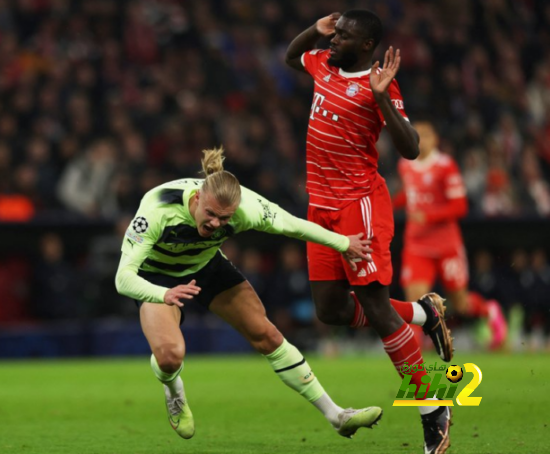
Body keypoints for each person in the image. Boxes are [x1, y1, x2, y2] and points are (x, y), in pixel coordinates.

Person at [115, 147, 381, 440]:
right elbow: (123, 278)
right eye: (211, 214)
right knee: (169, 357)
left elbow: (292, 225)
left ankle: (337, 416)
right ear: (198, 196)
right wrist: (163, 294)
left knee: (266, 335)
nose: (216, 223)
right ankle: (174, 391)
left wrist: (343, 243)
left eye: (225, 219)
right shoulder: (157, 209)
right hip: (157, 276)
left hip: (206, 267)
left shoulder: (248, 208)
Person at [285, 10, 453, 454]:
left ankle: (433, 408)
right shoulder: (323, 61)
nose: (335, 40)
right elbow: (290, 57)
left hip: (359, 205)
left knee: (377, 309)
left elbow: (412, 148)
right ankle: (423, 314)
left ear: (365, 46)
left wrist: (380, 99)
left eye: (343, 36)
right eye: (335, 33)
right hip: (319, 208)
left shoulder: (380, 84)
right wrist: (313, 31)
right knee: (331, 310)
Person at [394, 119, 508, 350]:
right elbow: (411, 194)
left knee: (461, 302)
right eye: (418, 135)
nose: (421, 140)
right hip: (417, 243)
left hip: (446, 244)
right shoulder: (405, 165)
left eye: (426, 135)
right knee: (415, 298)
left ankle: (490, 310)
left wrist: (428, 216)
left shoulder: (445, 166)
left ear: (435, 139)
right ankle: (413, 353)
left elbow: (460, 206)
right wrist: (388, 204)